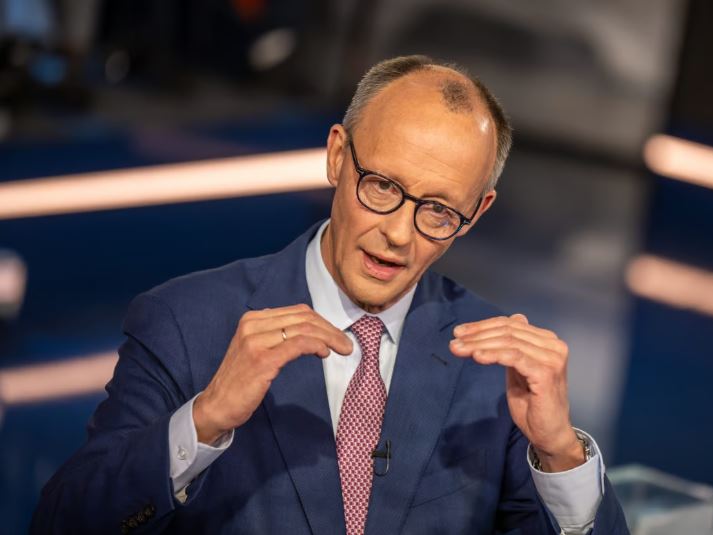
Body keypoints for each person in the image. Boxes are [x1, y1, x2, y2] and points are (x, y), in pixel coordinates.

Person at [32, 55, 628, 534]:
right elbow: (63, 522)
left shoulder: (496, 370)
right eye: (383, 187)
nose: (399, 234)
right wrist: (205, 420)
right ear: (338, 157)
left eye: (439, 211)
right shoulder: (185, 322)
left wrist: (560, 453)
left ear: (477, 212)